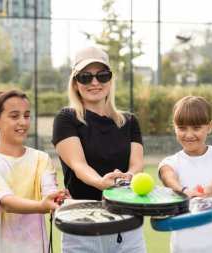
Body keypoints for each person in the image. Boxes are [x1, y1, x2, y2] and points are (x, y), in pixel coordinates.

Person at [52, 45, 147, 253]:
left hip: (127, 224)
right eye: (85, 77)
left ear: (110, 80)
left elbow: (137, 163)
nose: (95, 82)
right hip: (82, 224)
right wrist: (101, 183)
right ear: (76, 83)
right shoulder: (66, 119)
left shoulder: (129, 121)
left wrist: (127, 177)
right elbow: (78, 165)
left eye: (102, 75)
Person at [0, 89, 67, 253]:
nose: (23, 122)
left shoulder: (41, 159)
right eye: (14, 116)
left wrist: (58, 199)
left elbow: (50, 192)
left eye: (27, 115)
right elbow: (7, 203)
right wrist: (43, 206)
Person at [158, 95, 212, 253]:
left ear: (209, 127)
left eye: (196, 128)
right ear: (174, 127)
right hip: (185, 247)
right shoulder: (170, 162)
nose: (189, 135)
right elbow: (168, 178)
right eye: (182, 128)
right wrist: (184, 192)